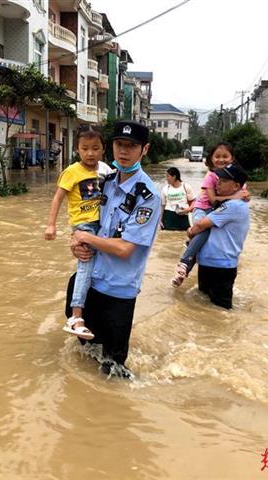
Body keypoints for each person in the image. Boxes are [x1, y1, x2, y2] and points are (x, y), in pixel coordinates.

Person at [66, 120, 162, 376]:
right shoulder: (103, 182)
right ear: (112, 146)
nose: (124, 151)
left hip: (119, 291)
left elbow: (124, 249)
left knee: (113, 367)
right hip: (91, 282)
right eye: (120, 144)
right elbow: (86, 224)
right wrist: (77, 245)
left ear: (145, 149)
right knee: (85, 352)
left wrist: (84, 239)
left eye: (132, 146)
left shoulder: (148, 196)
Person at [45, 125, 113, 340]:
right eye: (85, 148)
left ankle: (97, 313)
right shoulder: (72, 171)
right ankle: (76, 316)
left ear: (103, 149)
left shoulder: (106, 171)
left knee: (100, 269)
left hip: (104, 225)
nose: (90, 153)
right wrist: (51, 225)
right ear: (77, 149)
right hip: (84, 226)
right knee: (85, 265)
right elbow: (58, 198)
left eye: (95, 148)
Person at [171, 142, 247, 288]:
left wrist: (243, 195)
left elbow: (243, 193)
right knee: (203, 230)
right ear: (211, 159)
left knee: (203, 231)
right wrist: (234, 197)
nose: (221, 159)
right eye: (217, 156)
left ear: (232, 158)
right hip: (203, 208)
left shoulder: (237, 179)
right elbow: (212, 200)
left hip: (215, 215)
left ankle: (187, 258)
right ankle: (185, 263)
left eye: (225, 156)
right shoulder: (212, 175)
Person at [188, 163, 250, 309]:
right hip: (210, 263)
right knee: (205, 307)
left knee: (220, 310)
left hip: (220, 266)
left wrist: (190, 232)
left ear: (236, 186)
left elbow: (200, 225)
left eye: (223, 181)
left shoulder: (233, 205)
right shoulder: (229, 204)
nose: (218, 183)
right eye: (218, 179)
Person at [160, 167, 195, 231]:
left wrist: (187, 210)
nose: (166, 179)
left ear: (174, 177)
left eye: (168, 176)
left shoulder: (186, 187)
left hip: (183, 216)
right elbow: (162, 205)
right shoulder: (165, 189)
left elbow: (194, 202)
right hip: (168, 217)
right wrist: (160, 220)